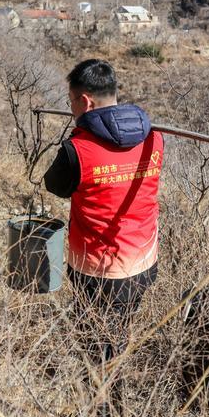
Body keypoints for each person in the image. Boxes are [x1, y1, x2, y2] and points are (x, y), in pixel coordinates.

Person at [43, 58, 163, 376]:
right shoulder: (155, 139)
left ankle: (106, 412)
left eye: (71, 102)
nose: (71, 109)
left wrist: (72, 145)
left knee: (97, 346)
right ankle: (116, 383)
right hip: (144, 262)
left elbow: (54, 185)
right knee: (122, 330)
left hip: (97, 271)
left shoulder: (77, 151)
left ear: (84, 101)